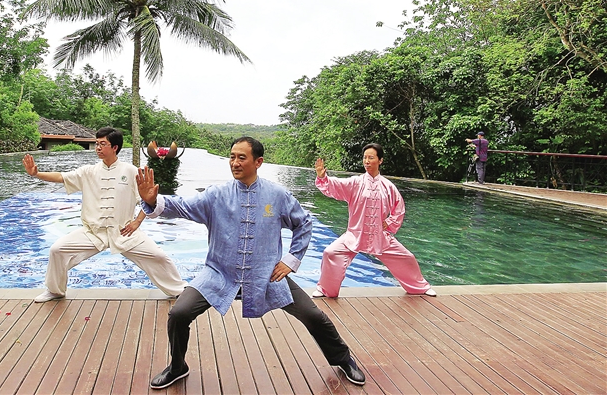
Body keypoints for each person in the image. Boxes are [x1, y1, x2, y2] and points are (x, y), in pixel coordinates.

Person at [137, 137, 366, 389]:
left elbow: (303, 223)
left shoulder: (277, 195)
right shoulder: (217, 195)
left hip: (266, 275)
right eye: (232, 157)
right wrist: (152, 201)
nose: (234, 163)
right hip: (219, 273)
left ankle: (343, 360)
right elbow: (182, 206)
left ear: (258, 162)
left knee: (313, 316)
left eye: (241, 157)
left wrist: (291, 261)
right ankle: (177, 367)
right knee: (179, 313)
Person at [22, 127, 185, 303]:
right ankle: (55, 291)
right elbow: (61, 177)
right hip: (93, 232)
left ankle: (179, 290)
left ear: (114, 147)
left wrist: (137, 222)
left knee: (159, 256)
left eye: (102, 144)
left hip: (123, 232)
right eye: (97, 143)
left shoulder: (131, 171)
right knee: (57, 250)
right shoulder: (88, 171)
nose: (98, 147)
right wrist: (36, 174)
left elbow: (146, 199)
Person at [312, 143, 436, 299]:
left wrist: (389, 223)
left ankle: (420, 287)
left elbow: (399, 208)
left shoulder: (388, 186)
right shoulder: (355, 182)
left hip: (379, 236)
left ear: (380, 160)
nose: (367, 161)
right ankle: (325, 290)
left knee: (407, 257)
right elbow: (336, 185)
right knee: (330, 253)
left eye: (371, 157)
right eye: (365, 157)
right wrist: (323, 177)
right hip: (355, 234)